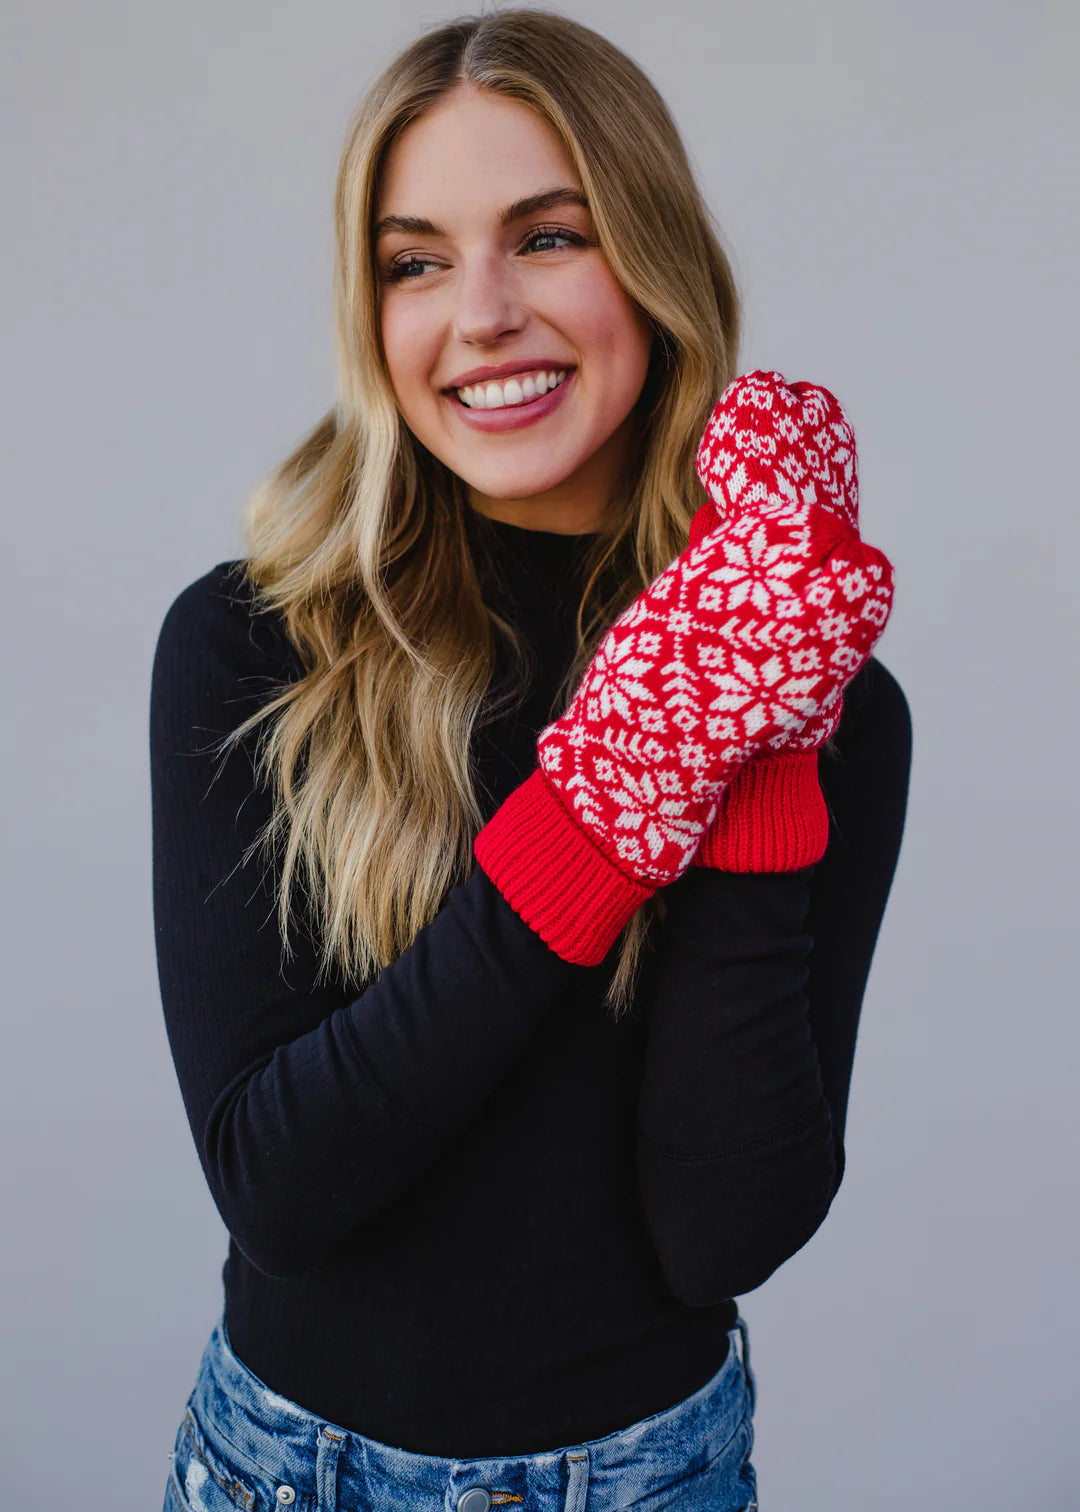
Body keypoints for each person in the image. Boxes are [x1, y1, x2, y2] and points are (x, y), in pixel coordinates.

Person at [149, 10, 911, 1511]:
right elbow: (280, 1188)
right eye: (415, 259)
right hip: (292, 1475)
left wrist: (759, 750)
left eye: (548, 237)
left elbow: (722, 1231)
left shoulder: (827, 698)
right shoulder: (257, 651)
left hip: (651, 1479)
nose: (480, 311)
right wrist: (611, 800)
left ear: (655, 258)